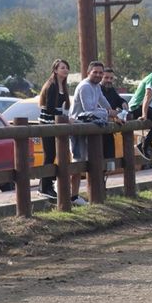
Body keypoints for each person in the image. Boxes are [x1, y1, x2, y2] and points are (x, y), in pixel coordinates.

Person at [68, 61, 123, 204]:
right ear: (88, 73)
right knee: (78, 161)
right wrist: (108, 113)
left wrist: (114, 115)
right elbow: (89, 109)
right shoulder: (85, 86)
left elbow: (103, 102)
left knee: (91, 162)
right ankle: (70, 195)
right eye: (95, 72)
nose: (98, 75)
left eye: (100, 73)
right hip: (78, 127)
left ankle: (78, 196)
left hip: (90, 128)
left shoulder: (97, 86)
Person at [37, 59, 70, 200]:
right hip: (47, 124)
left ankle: (45, 185)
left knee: (55, 154)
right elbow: (50, 108)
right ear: (55, 70)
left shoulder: (63, 86)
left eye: (67, 68)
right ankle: (45, 187)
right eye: (62, 68)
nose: (65, 70)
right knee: (49, 155)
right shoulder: (52, 86)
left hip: (56, 124)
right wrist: (64, 117)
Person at [101, 67, 128, 161]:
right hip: (98, 128)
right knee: (98, 159)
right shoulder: (97, 89)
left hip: (109, 128)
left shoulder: (111, 90)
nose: (109, 80)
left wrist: (123, 103)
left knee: (110, 159)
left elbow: (118, 100)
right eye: (106, 78)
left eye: (111, 78)